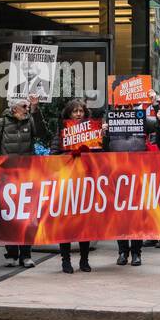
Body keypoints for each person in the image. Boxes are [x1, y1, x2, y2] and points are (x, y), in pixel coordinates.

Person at [0, 95, 45, 268]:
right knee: (9, 217)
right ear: (14, 109)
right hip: (6, 177)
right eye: (24, 107)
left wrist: (36, 110)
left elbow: (42, 133)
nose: (27, 109)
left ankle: (26, 254)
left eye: (27, 107)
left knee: (26, 216)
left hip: (26, 176)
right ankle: (11, 254)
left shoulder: (30, 121)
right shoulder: (0, 123)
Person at [52, 98, 94, 274]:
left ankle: (84, 260)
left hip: (85, 183)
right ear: (68, 114)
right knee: (66, 223)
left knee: (85, 223)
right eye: (75, 111)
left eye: (81, 111)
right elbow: (53, 155)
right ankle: (66, 260)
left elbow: (102, 154)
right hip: (67, 183)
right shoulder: (62, 131)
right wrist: (69, 153)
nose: (78, 114)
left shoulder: (93, 131)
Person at [105, 118, 146, 267]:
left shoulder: (141, 122)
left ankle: (136, 252)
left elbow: (158, 135)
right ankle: (123, 252)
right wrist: (103, 134)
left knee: (136, 216)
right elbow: (102, 151)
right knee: (120, 217)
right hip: (117, 177)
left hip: (137, 175)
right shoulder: (110, 127)